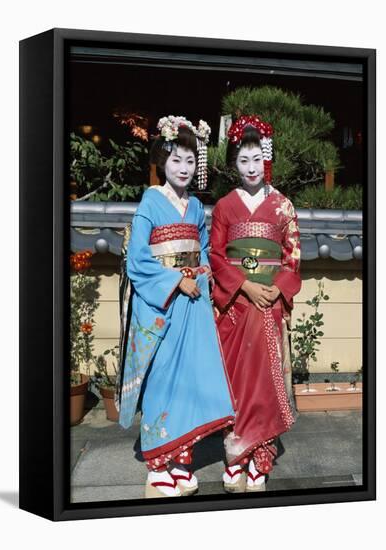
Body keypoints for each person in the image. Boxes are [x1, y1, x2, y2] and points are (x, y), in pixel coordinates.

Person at [117, 115, 235, 498]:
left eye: (189, 161)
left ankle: (181, 461)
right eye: (176, 160)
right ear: (162, 161)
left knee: (189, 382)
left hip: (191, 302)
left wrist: (200, 275)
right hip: (164, 303)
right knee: (162, 380)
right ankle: (157, 465)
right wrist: (175, 281)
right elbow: (138, 260)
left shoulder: (197, 206)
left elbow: (203, 249)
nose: (183, 168)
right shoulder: (151, 200)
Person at [210, 115, 301, 493]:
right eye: (243, 160)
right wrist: (245, 285)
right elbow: (216, 256)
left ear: (267, 159)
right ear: (234, 163)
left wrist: (276, 289)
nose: (251, 168)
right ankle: (235, 455)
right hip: (236, 305)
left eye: (257, 159)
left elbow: (292, 256)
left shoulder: (283, 206)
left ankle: (260, 457)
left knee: (264, 383)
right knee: (235, 381)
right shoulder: (224, 207)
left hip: (269, 305)